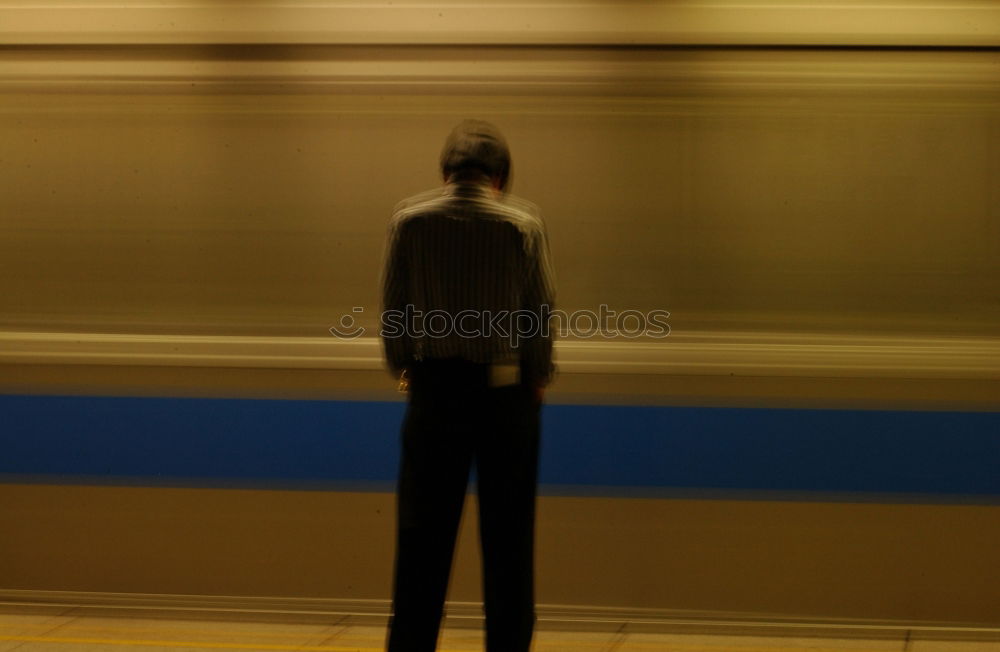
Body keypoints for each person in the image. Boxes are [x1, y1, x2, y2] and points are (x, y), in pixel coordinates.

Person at [380, 119, 555, 652]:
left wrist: (409, 370)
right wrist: (536, 378)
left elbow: (394, 312)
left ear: (445, 172)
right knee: (508, 545)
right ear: (500, 176)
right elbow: (539, 313)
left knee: (421, 544)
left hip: (435, 396)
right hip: (505, 399)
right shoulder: (523, 222)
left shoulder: (409, 220)